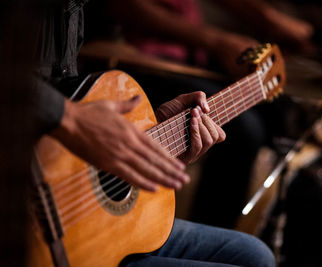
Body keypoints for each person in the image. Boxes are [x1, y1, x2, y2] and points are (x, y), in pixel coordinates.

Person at [1, 0, 275, 266]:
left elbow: (64, 101)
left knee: (254, 254)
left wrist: (148, 135)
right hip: (22, 217)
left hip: (69, 209)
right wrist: (69, 117)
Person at [84, 0, 314, 229]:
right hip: (134, 59)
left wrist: (266, 17)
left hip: (188, 59)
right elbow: (122, 6)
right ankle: (205, 231)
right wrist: (215, 41)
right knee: (244, 129)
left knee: (278, 114)